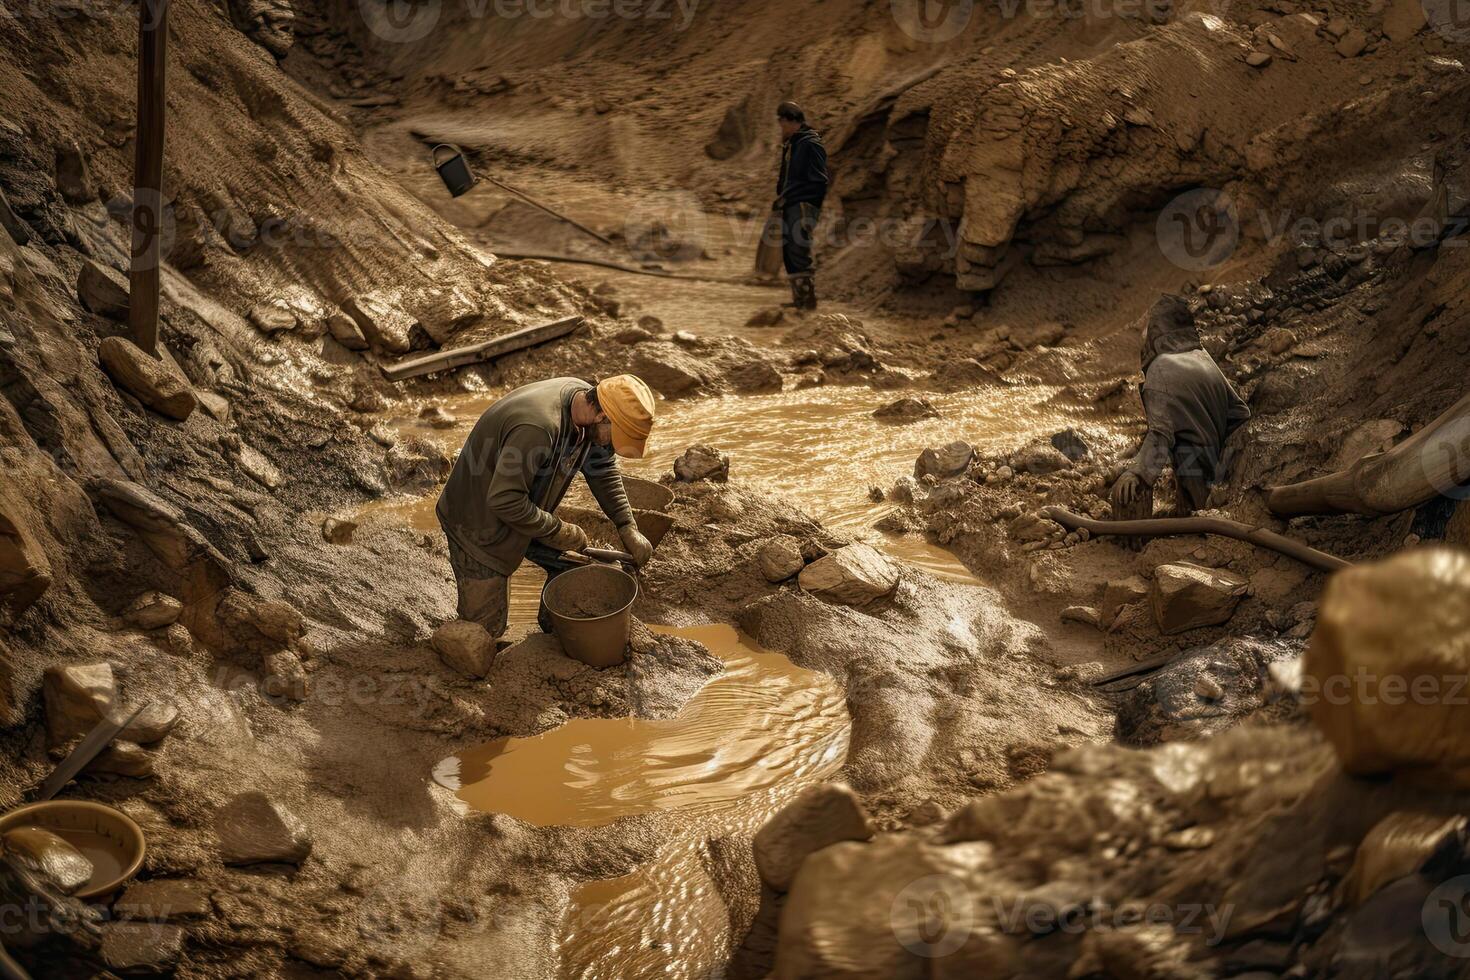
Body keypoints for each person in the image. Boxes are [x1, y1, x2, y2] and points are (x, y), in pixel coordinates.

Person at [435, 375, 656, 638]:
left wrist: (626, 525)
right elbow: (504, 500)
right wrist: (558, 530)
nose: (610, 445)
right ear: (602, 416)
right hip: (477, 524)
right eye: (615, 437)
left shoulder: (586, 405)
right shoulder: (538, 427)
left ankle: (553, 629)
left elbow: (602, 469)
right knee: (484, 633)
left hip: (525, 506)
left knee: (583, 565)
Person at [1110, 295, 1250, 536]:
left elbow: (1160, 435)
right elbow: (1240, 414)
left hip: (1193, 467)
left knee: (1194, 514)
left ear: (1154, 334)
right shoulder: (1203, 357)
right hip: (1224, 470)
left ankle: (1192, 522)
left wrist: (1137, 472)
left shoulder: (1158, 371)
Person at [773, 101, 829, 311]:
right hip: (793, 202)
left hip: (803, 204)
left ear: (789, 121)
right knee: (790, 250)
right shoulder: (794, 143)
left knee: (798, 248)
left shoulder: (810, 143)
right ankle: (800, 301)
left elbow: (819, 180)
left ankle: (807, 303)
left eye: (782, 123)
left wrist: (791, 197)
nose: (781, 128)